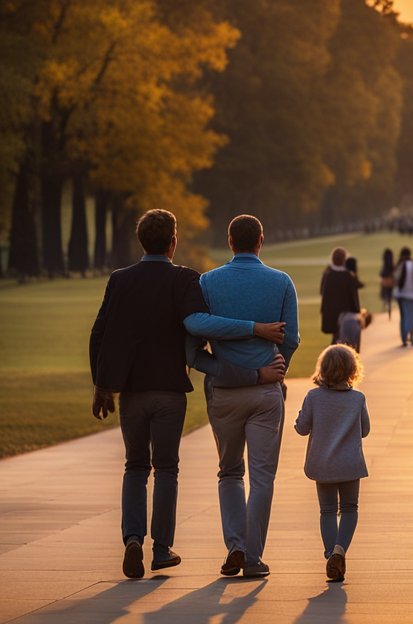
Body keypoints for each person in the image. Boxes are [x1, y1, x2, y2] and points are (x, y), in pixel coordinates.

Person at [89, 209, 287, 580]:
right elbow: (195, 329)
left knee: (134, 466)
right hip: (169, 390)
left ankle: (133, 537)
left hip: (131, 390)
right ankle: (161, 549)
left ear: (141, 242)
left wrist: (102, 385)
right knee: (166, 468)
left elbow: (100, 333)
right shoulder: (184, 280)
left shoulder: (120, 279)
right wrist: (257, 342)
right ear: (174, 242)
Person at [198, 214, 301, 579]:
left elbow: (197, 343)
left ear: (230, 241)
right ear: (261, 239)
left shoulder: (208, 282)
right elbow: (291, 339)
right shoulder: (281, 281)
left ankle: (235, 547)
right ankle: (254, 556)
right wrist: (278, 367)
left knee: (229, 472)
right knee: (262, 477)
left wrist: (222, 368)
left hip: (224, 390)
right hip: (264, 391)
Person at [294, 344, 370, 583]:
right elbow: (365, 430)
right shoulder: (357, 398)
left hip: (323, 463)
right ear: (352, 370)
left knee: (327, 510)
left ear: (323, 369)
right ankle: (339, 551)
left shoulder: (313, 397)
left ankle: (330, 554)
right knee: (349, 508)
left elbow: (301, 428)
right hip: (349, 464)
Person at [320, 248, 360, 345]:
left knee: (335, 337)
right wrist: (357, 311)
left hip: (330, 312)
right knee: (345, 340)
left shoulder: (328, 274)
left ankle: (332, 357)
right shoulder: (348, 276)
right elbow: (353, 297)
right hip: (346, 314)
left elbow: (322, 292)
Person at [392, 247, 413, 347]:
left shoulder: (400, 265)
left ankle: (404, 338)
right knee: (411, 316)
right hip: (412, 295)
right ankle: (411, 336)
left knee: (403, 316)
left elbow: (394, 279)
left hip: (401, 294)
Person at [378, 248, 395, 319]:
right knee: (389, 298)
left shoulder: (384, 266)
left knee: (386, 296)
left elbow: (381, 274)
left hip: (385, 283)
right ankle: (388, 308)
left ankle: (386, 306)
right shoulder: (392, 265)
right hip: (391, 283)